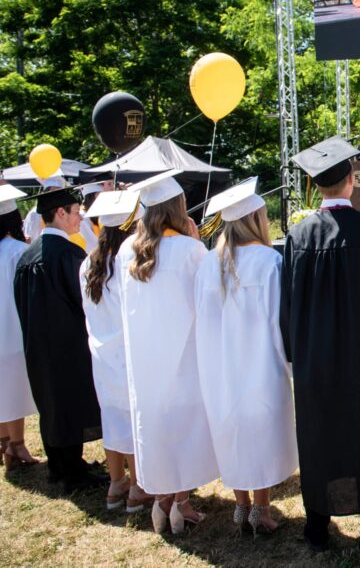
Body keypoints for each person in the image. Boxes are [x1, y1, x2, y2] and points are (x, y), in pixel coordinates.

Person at [282, 135, 360, 555]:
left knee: (321, 430)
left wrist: (292, 349)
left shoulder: (297, 236)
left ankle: (317, 526)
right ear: (352, 181)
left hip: (313, 352)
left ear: (316, 185)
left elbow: (288, 301)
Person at [195, 178, 299, 536]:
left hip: (219, 367)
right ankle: (262, 509)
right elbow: (280, 319)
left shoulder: (208, 264)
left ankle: (241, 506)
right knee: (261, 432)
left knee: (233, 432)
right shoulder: (270, 261)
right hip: (259, 364)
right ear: (256, 219)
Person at [117, 169, 218, 534]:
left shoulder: (127, 250)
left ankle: (162, 500)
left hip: (145, 360)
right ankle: (180, 503)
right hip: (184, 355)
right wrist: (198, 244)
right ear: (178, 207)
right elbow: (208, 298)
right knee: (183, 428)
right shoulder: (188, 250)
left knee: (157, 429)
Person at [13, 186, 105, 493]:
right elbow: (84, 300)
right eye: (76, 212)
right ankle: (72, 471)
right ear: (60, 213)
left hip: (37, 345)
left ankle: (59, 465)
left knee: (50, 403)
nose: (80, 218)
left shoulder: (28, 256)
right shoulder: (67, 254)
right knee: (69, 401)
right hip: (68, 343)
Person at [79, 190, 153, 512]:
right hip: (125, 350)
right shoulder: (126, 262)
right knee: (132, 416)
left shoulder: (87, 263)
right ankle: (137, 486)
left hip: (101, 350)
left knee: (113, 418)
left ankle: (115, 484)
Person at [0, 183, 39, 470]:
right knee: (12, 387)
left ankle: (3, 439)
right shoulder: (16, 251)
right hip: (12, 327)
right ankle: (16, 444)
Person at [23, 174, 67, 243]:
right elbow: (30, 241)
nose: (57, 196)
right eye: (53, 192)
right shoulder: (35, 213)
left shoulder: (63, 212)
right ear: (46, 193)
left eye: (60, 192)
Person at [78, 182, 109, 255]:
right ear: (91, 198)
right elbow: (92, 247)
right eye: (100, 196)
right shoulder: (83, 218)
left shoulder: (99, 215)